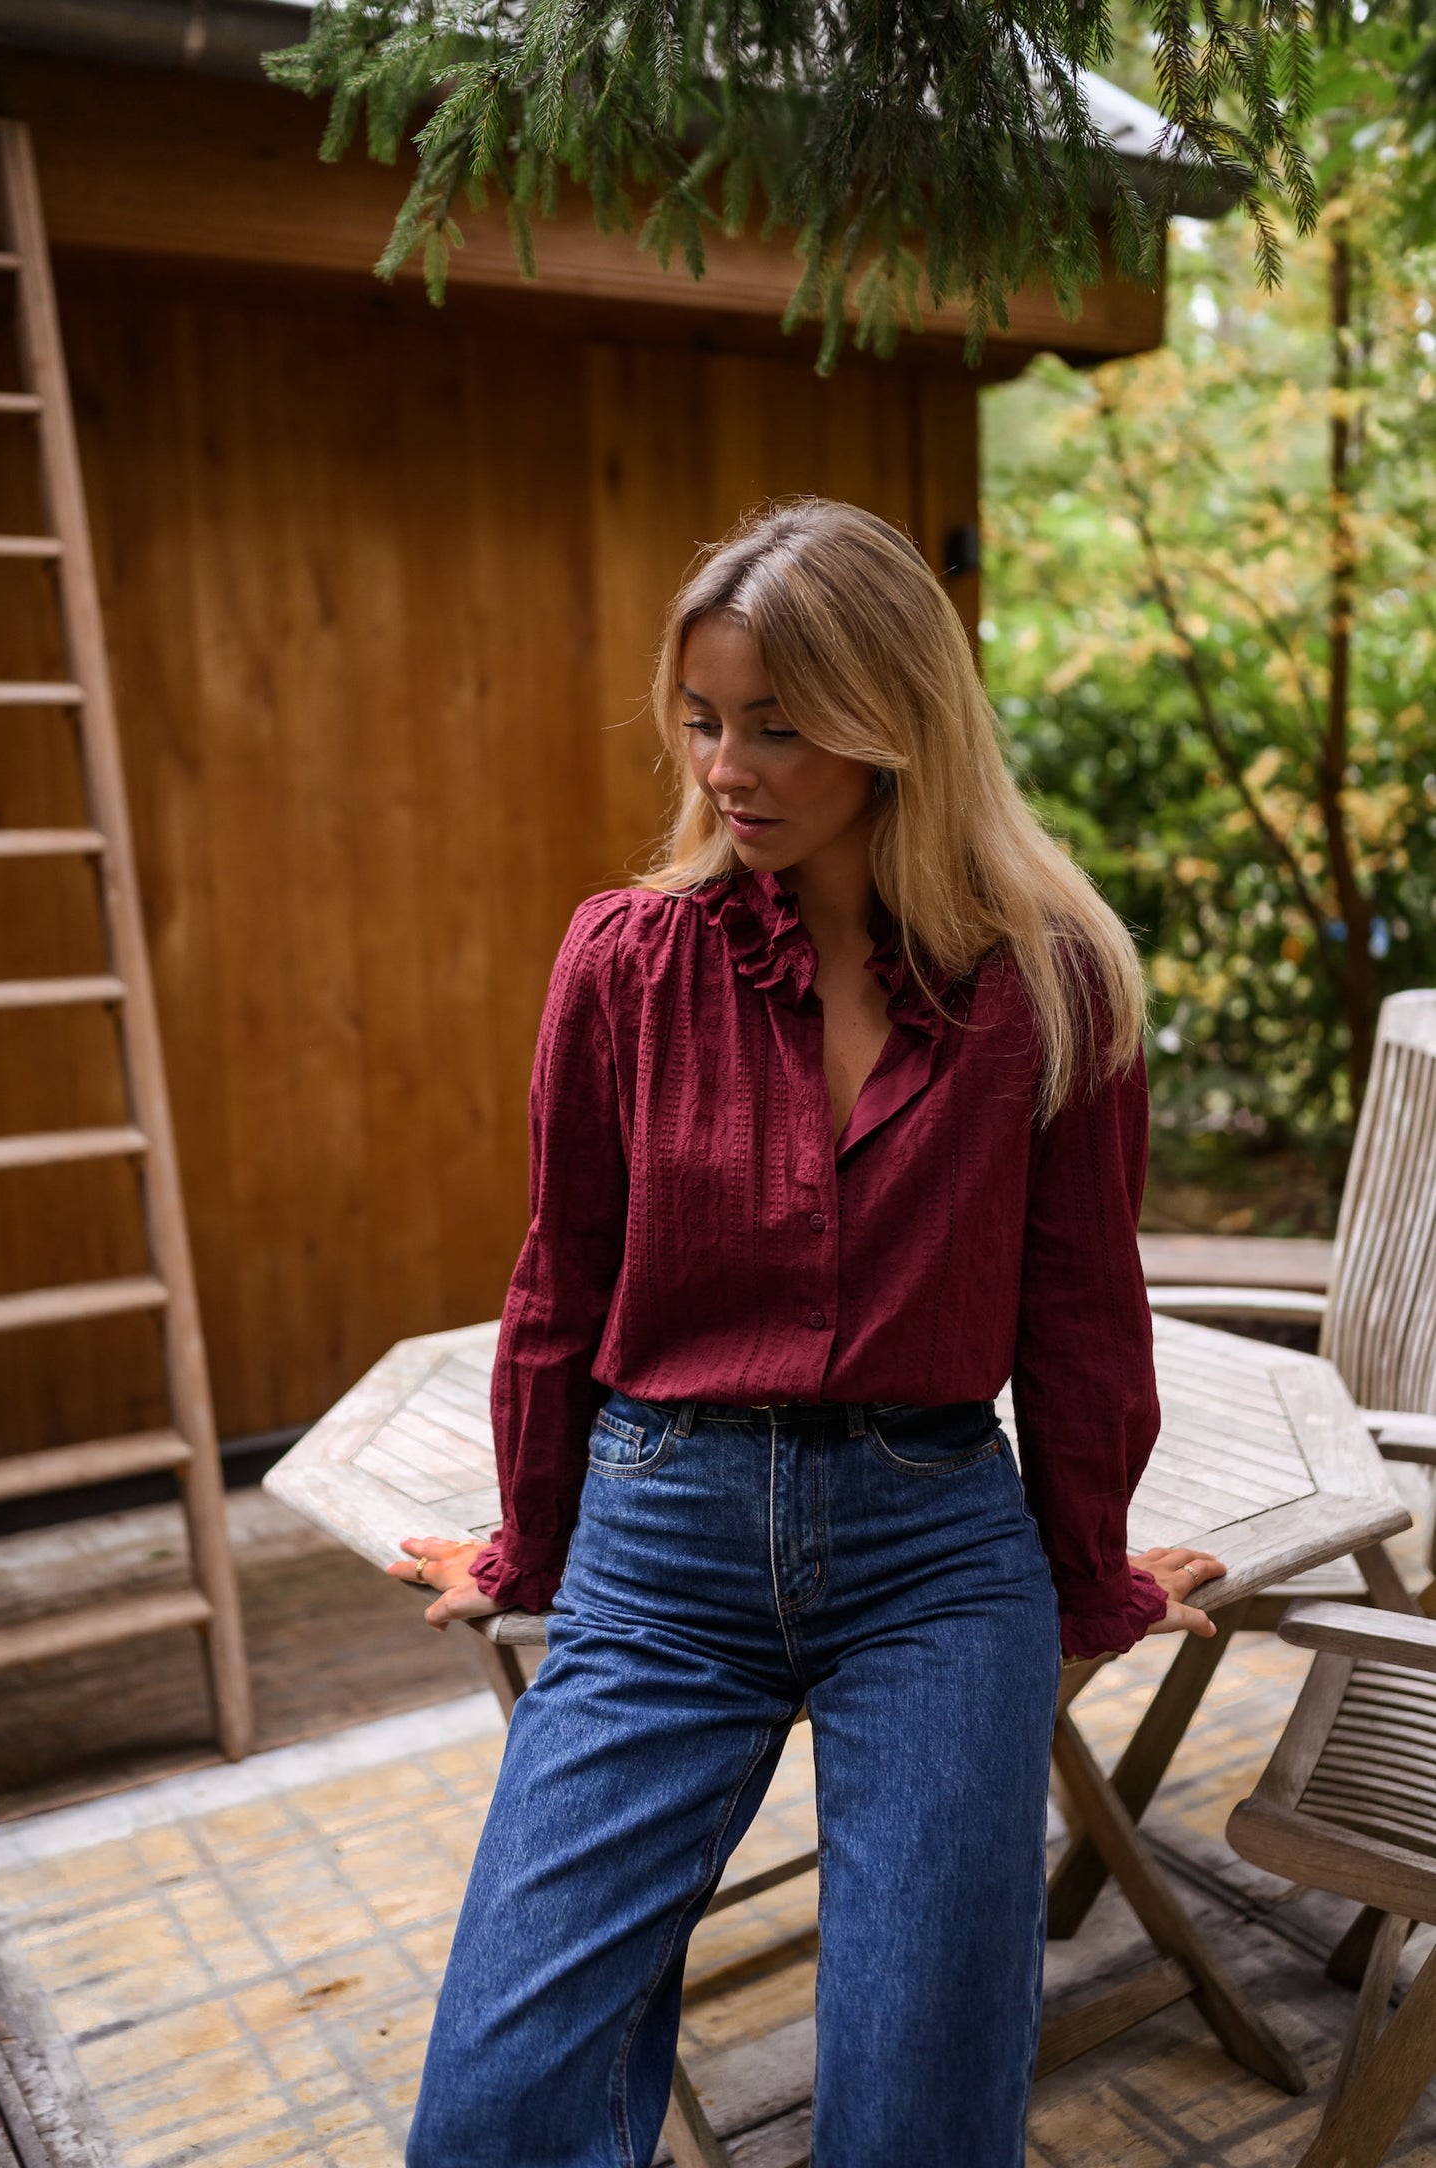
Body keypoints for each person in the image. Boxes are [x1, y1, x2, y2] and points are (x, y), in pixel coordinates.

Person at [392, 500, 1226, 2168]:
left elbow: (1080, 1310)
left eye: (774, 721)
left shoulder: (1051, 984)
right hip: (658, 1545)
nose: (725, 767)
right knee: (493, 2103)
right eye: (702, 721)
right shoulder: (626, 964)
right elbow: (563, 1275)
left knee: (917, 2106)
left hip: (933, 1554)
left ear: (890, 717)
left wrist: (1086, 1567)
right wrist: (529, 1543)